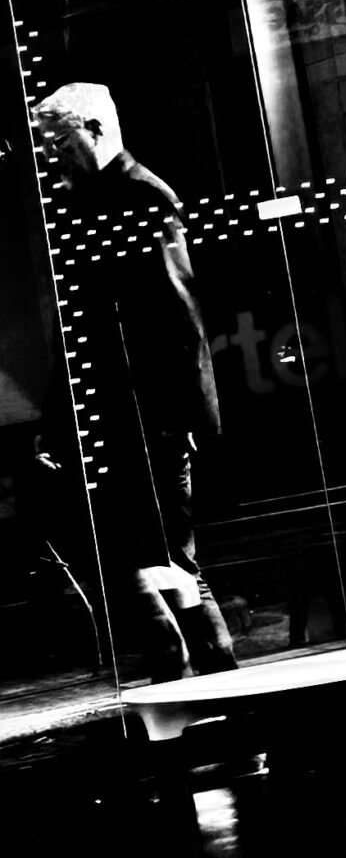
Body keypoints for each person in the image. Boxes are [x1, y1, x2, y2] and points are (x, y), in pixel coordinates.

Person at [31, 82, 237, 683]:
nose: (51, 159)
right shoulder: (95, 203)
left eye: (58, 143)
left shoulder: (142, 197)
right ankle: (194, 682)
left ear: (96, 131)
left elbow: (181, 318)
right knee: (148, 561)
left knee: (162, 562)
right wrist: (57, 415)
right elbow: (80, 327)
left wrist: (186, 421)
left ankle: (202, 683)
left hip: (149, 420)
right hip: (122, 419)